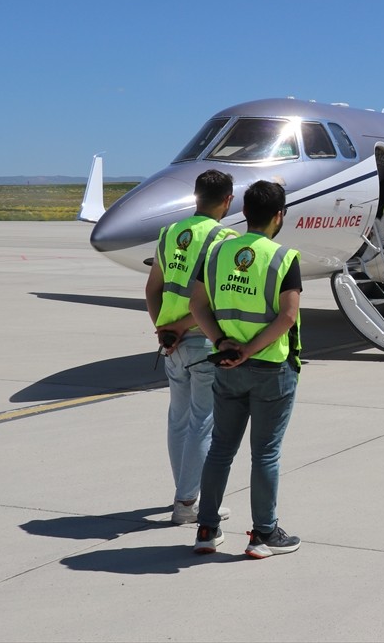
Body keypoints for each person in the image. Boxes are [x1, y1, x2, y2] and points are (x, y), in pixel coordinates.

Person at [188, 180, 303, 558]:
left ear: (243, 211)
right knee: (265, 453)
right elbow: (287, 317)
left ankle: (206, 529)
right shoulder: (284, 257)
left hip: (226, 366)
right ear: (279, 216)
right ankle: (263, 534)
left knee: (221, 448)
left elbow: (198, 306)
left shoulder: (218, 252)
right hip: (271, 368)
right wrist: (250, 350)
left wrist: (223, 344)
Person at [144, 169, 236, 526]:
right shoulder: (225, 238)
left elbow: (152, 289)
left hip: (172, 346)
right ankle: (187, 503)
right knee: (203, 422)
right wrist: (185, 327)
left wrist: (164, 330)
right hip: (202, 340)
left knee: (178, 419)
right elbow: (215, 299)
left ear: (195, 197)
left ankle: (184, 495)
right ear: (228, 200)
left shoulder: (170, 234)